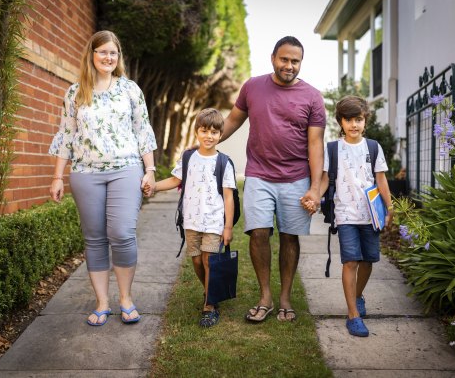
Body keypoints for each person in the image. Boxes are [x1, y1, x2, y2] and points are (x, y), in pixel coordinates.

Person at [49, 30, 157, 326]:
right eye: (103, 52)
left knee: (122, 233)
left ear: (118, 57)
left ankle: (125, 298)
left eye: (113, 53)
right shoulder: (75, 92)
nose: (108, 57)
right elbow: (66, 135)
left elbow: (142, 130)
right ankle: (102, 302)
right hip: (85, 173)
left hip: (126, 168)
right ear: (92, 55)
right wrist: (58, 176)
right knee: (94, 238)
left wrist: (150, 170)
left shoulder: (130, 90)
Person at [220, 36, 325, 322]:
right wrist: (208, 142)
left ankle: (285, 298)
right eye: (284, 59)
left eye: (295, 61)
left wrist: (315, 187)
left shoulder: (313, 97)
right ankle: (265, 295)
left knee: (290, 237)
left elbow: (315, 144)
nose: (289, 65)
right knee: (259, 233)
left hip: (296, 177)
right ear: (273, 58)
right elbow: (233, 120)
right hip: (259, 174)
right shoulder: (253, 86)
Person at [305, 95, 393, 337]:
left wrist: (389, 206)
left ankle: (357, 295)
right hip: (345, 215)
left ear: (365, 121)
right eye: (348, 120)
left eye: (358, 119)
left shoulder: (373, 147)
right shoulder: (333, 148)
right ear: (340, 122)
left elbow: (381, 179)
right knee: (350, 261)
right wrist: (314, 197)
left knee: (368, 261)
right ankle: (353, 314)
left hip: (371, 215)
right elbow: (324, 180)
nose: (354, 124)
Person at [144, 108, 236, 328]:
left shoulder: (224, 162)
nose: (209, 136)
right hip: (191, 221)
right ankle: (209, 289)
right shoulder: (188, 157)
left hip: (214, 221)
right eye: (204, 131)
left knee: (209, 261)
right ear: (196, 132)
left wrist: (228, 227)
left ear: (220, 135)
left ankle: (209, 305)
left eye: (214, 132)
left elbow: (228, 196)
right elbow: (175, 181)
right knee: (196, 260)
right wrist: (154, 186)